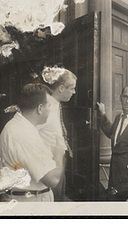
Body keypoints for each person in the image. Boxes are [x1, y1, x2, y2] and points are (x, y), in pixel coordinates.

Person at [0, 83, 62, 202]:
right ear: (40, 108)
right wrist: (60, 153)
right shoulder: (24, 134)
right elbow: (52, 179)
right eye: (49, 105)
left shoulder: (19, 126)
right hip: (29, 203)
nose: (51, 110)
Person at [37, 66, 77, 201]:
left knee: (59, 196)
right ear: (61, 88)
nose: (74, 92)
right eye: (71, 88)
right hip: (49, 164)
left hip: (58, 161)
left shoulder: (56, 105)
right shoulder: (45, 107)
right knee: (54, 199)